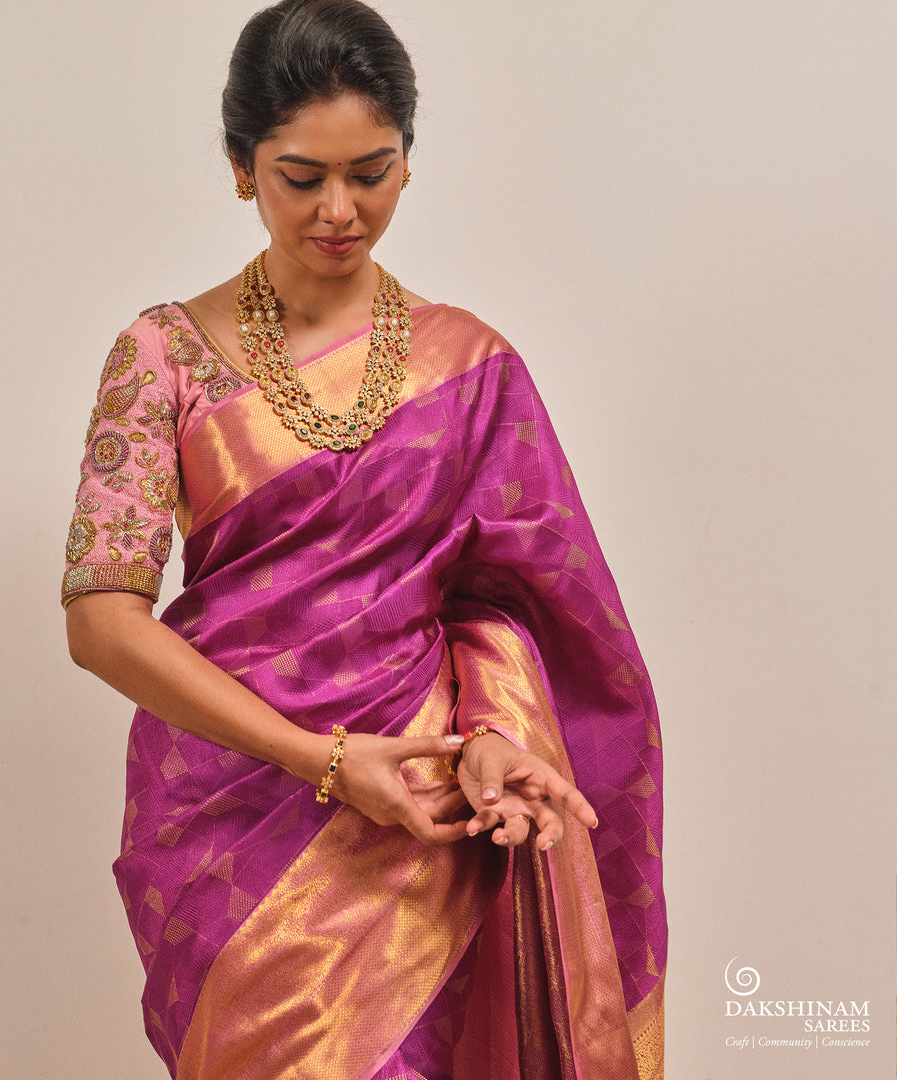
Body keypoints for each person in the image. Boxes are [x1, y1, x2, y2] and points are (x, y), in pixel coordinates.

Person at [62, 1, 666, 1076]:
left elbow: (514, 606)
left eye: (372, 173)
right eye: (302, 177)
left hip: (428, 807)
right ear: (242, 167)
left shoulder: (469, 363)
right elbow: (102, 622)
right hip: (233, 809)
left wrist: (497, 736)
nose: (340, 210)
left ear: (406, 161)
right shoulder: (160, 356)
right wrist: (326, 762)